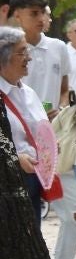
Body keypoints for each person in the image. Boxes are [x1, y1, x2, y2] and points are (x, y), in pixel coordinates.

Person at [9, 0, 76, 259]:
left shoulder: (58, 48)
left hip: (53, 142)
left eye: (44, 12)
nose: (41, 19)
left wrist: (59, 113)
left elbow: (65, 87)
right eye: (33, 13)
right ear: (16, 15)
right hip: (18, 143)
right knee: (29, 217)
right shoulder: (6, 47)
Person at [0, 26, 54, 222]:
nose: (28, 57)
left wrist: (50, 147)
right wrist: (14, 157)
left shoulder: (29, 93)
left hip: (33, 178)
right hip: (7, 185)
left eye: (27, 51)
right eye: (22, 52)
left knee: (34, 242)